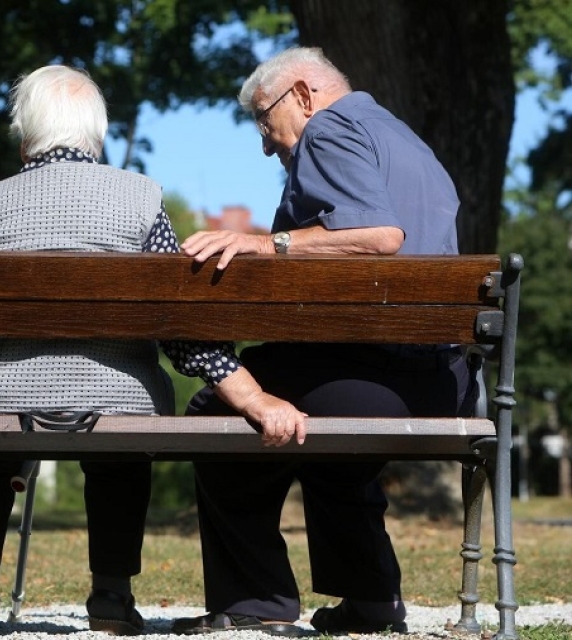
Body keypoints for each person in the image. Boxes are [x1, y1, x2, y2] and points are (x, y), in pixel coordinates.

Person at [0, 64, 306, 637]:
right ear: (96, 132)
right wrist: (247, 392)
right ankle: (111, 595)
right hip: (114, 394)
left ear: (25, 131)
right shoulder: (139, 200)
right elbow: (176, 320)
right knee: (122, 438)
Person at [169, 47, 476, 636]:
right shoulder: (406, 140)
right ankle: (370, 603)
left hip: (377, 376)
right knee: (332, 438)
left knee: (219, 409)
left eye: (264, 119)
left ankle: (255, 604)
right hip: (442, 382)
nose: (265, 142)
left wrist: (268, 244)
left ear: (304, 94)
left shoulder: (330, 129)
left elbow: (380, 235)